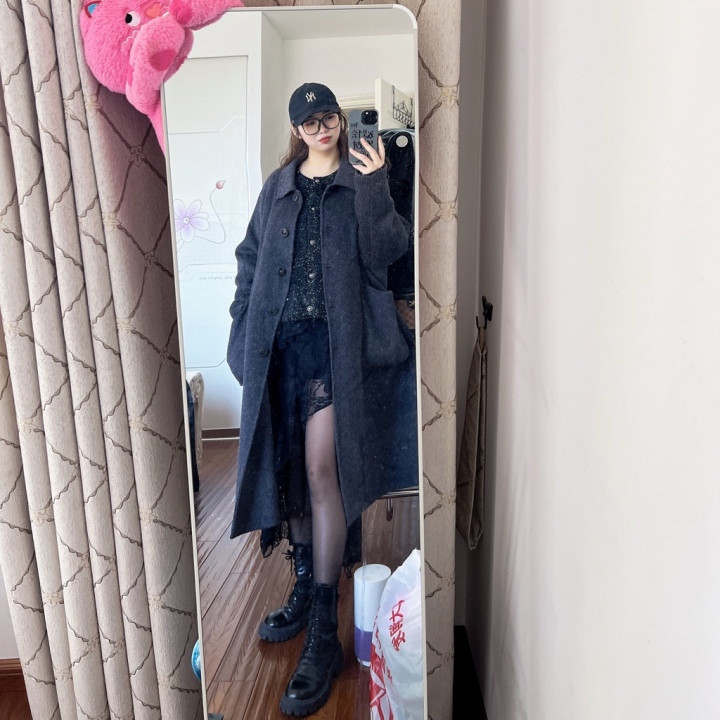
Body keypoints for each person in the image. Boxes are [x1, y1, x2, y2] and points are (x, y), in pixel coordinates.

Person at [226, 82, 412, 716]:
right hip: (280, 350)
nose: (321, 128)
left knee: (321, 470)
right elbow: (250, 260)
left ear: (340, 119)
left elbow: (388, 252)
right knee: (293, 477)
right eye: (309, 122)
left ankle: (325, 629)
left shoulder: (360, 179)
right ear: (296, 130)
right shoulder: (277, 188)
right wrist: (241, 326)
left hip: (336, 353)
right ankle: (305, 588)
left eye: (328, 117)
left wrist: (376, 182)